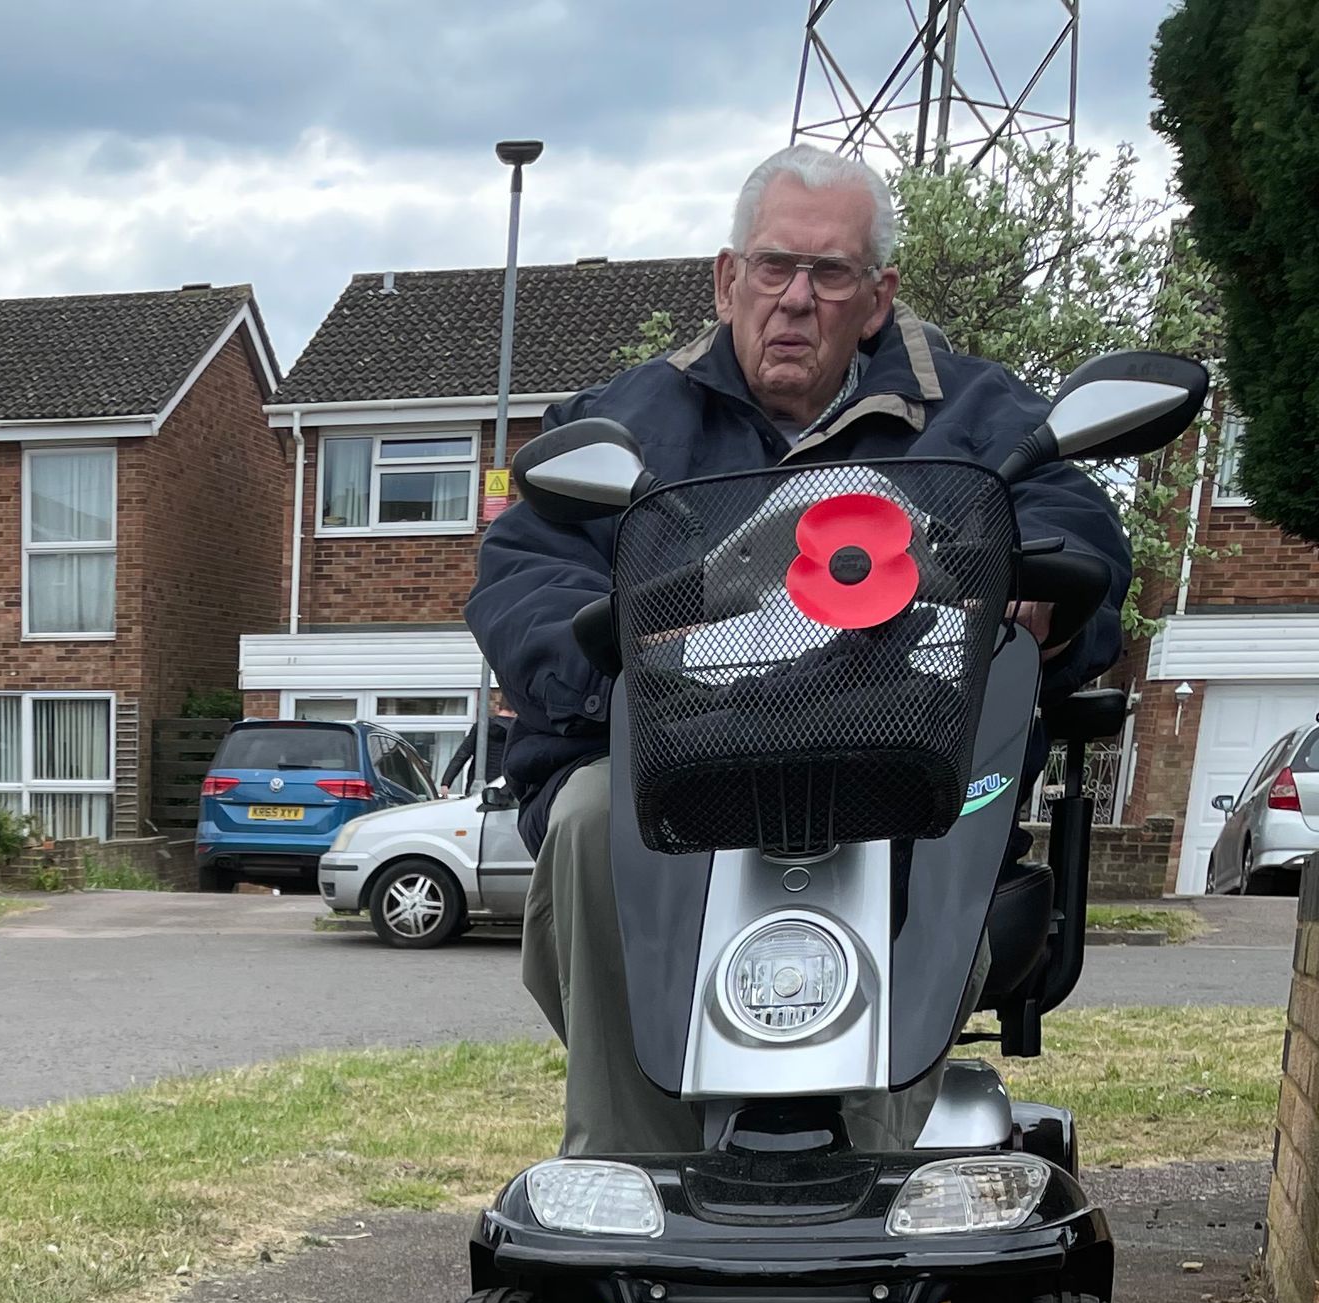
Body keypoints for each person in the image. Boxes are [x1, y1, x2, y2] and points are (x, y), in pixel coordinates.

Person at [468, 143, 1133, 1154]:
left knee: (941, 827)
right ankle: (632, 1164)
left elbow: (1071, 531)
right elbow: (525, 572)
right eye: (774, 267)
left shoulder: (980, 416)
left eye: (829, 275)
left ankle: (872, 1175)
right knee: (594, 815)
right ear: (728, 278)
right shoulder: (621, 422)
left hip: (901, 761)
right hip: (675, 763)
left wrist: (1039, 597)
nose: (795, 299)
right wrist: (626, 652)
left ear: (876, 298)